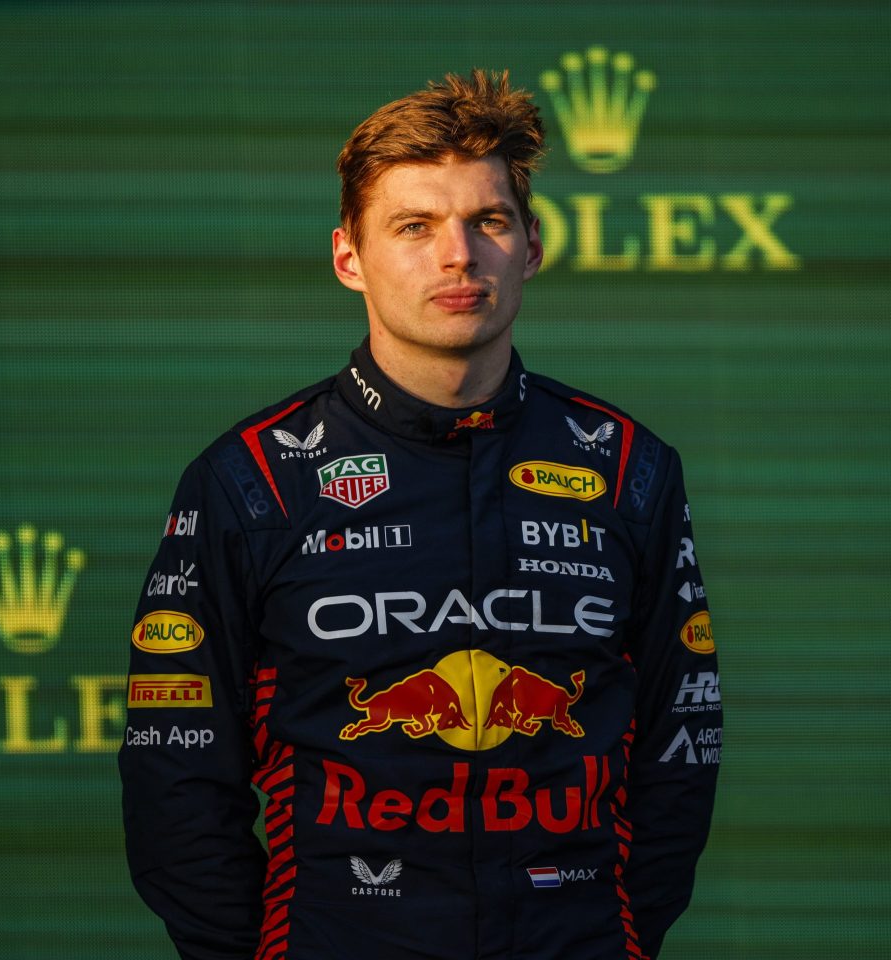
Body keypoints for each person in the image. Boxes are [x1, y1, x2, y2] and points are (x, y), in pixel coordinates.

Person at [119, 69, 720, 960]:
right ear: (347, 258)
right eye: (414, 226)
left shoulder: (629, 467)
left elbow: (683, 741)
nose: (458, 255)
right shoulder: (251, 479)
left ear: (532, 245)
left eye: (488, 220)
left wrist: (618, 933)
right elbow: (177, 774)